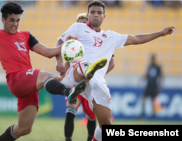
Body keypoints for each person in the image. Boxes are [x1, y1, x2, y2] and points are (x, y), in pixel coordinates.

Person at [0, 2, 108, 141]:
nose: (15, 24)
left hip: (28, 83)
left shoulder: (25, 35)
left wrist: (67, 44)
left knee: (24, 129)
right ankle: (69, 92)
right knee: (45, 75)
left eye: (17, 20)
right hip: (16, 79)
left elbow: (48, 52)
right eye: (11, 20)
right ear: (3, 20)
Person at [55, 1, 175, 141]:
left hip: (97, 81)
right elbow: (59, 42)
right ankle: (87, 72)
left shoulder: (111, 36)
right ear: (87, 15)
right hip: (77, 74)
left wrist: (161, 33)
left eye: (99, 12)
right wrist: (59, 61)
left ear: (104, 16)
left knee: (106, 125)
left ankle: (90, 74)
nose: (95, 15)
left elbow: (136, 39)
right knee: (84, 64)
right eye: (92, 12)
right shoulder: (77, 27)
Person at [62, 13, 115, 141]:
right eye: (79, 23)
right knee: (70, 111)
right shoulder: (73, 43)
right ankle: (68, 139)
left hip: (90, 85)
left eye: (84, 23)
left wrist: (96, 76)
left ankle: (90, 139)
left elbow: (112, 63)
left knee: (91, 117)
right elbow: (67, 64)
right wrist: (63, 75)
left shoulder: (99, 42)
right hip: (76, 84)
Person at [139, 54, 163, 119]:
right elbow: (147, 75)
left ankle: (153, 115)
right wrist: (142, 78)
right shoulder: (149, 66)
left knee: (153, 101)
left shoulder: (157, 67)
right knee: (143, 100)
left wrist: (159, 87)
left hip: (154, 86)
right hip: (148, 86)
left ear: (154, 59)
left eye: (152, 58)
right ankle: (142, 114)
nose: (152, 60)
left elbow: (160, 77)